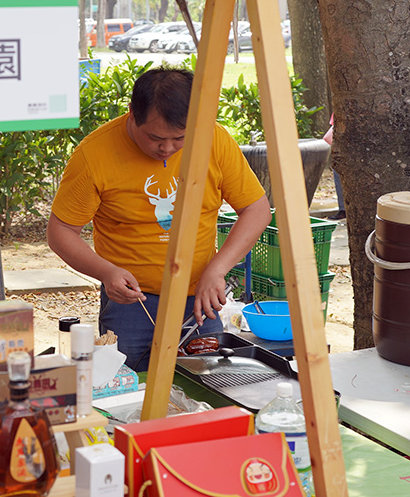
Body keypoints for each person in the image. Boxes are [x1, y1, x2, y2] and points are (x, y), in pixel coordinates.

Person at [48, 67, 271, 370]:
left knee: (205, 385)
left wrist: (218, 269)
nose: (166, 148)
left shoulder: (214, 141)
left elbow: (256, 209)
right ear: (131, 114)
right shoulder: (94, 154)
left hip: (198, 299)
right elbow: (61, 230)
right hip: (131, 302)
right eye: (155, 138)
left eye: (180, 138)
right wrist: (107, 272)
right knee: (128, 386)